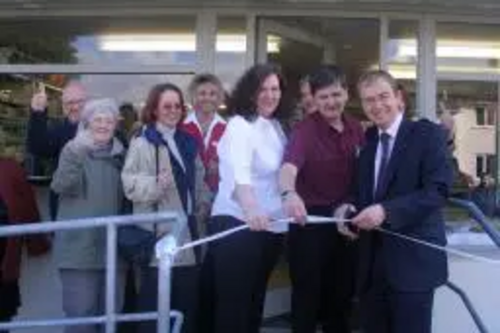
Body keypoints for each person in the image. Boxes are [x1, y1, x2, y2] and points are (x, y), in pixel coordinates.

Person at [342, 70, 452, 333]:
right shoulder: (367, 144)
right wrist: (346, 209)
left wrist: (385, 211)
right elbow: (360, 194)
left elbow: (438, 190)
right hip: (372, 270)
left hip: (413, 268)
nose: (377, 105)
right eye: (369, 100)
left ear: (399, 97)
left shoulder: (427, 135)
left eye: (383, 96)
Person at [204, 63, 290, 333]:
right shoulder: (240, 125)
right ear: (249, 93)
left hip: (270, 227)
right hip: (238, 224)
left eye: (275, 89)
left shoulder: (276, 126)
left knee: (255, 304)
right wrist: (252, 208)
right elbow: (240, 175)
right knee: (235, 308)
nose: (270, 95)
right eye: (262, 89)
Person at [279, 65, 364, 333]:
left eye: (336, 94)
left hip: (346, 220)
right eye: (324, 97)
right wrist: (288, 193)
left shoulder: (356, 129)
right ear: (313, 99)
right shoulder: (304, 131)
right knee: (307, 298)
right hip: (310, 224)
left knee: (341, 298)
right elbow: (288, 168)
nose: (331, 102)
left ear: (346, 94)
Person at [121, 83, 210, 333]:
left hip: (191, 236)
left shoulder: (187, 141)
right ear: (155, 110)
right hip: (159, 241)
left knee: (185, 312)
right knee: (155, 316)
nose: (173, 111)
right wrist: (155, 186)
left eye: (177, 106)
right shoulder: (143, 141)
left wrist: (204, 203)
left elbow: (200, 178)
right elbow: (129, 184)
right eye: (167, 106)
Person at [51, 98, 127, 333]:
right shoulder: (73, 150)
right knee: (80, 320)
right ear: (87, 123)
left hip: (114, 252)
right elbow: (60, 185)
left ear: (115, 125)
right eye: (98, 120)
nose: (103, 125)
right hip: (78, 251)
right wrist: (75, 152)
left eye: (109, 120)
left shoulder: (121, 156)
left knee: (111, 319)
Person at [0, 158, 51, 332]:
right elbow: (28, 208)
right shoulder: (11, 168)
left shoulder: (10, 168)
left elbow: (28, 208)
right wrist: (37, 244)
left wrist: (37, 244)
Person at [27, 81, 88, 220]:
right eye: (68, 103)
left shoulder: (102, 130)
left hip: (96, 206)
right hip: (63, 206)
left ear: (87, 102)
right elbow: (38, 147)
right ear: (63, 106)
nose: (74, 107)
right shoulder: (60, 130)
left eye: (79, 102)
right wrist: (38, 113)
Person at [181, 73, 226, 195]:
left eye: (212, 94)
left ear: (218, 97)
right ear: (194, 96)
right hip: (189, 192)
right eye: (202, 93)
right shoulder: (182, 128)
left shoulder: (227, 129)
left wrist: (220, 165)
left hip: (219, 195)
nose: (208, 98)